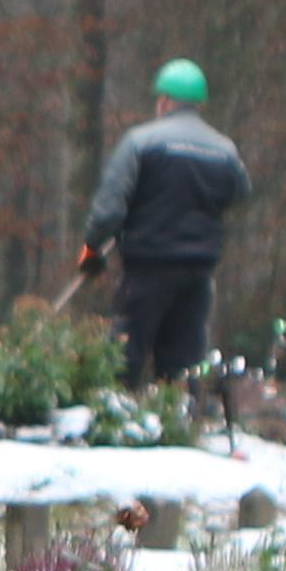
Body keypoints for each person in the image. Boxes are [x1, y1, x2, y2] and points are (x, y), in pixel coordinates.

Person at [80, 58, 247, 389]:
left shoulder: (141, 142)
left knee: (125, 355)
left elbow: (110, 209)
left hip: (148, 267)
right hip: (198, 272)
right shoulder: (224, 149)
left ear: (165, 101)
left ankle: (115, 415)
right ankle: (181, 423)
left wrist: (92, 247)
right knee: (183, 364)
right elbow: (240, 193)